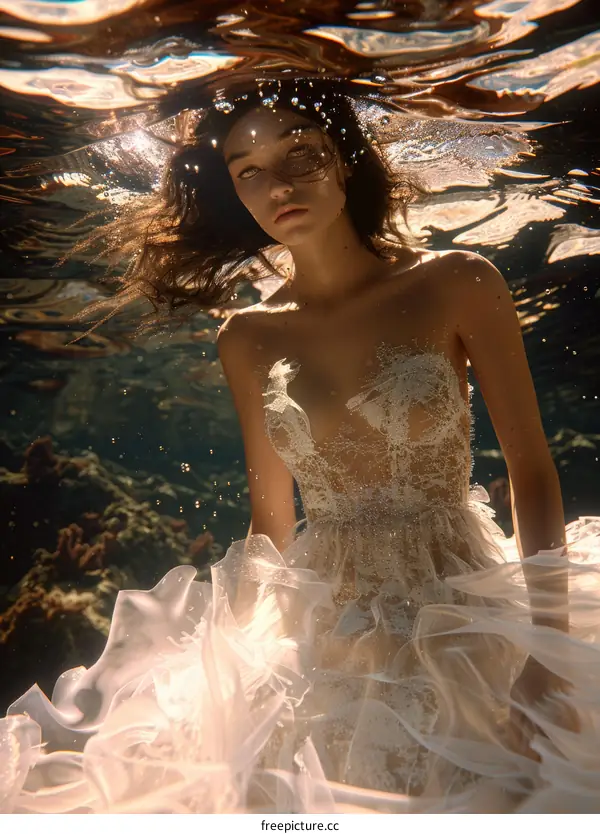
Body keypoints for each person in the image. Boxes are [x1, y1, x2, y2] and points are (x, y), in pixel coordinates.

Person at [2, 77, 599, 814]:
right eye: (248, 173)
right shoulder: (247, 336)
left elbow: (532, 472)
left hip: (466, 600)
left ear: (345, 159)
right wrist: (227, 661)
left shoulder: (459, 281)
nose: (276, 185)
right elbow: (273, 522)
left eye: (300, 154)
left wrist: (547, 649)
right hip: (324, 624)